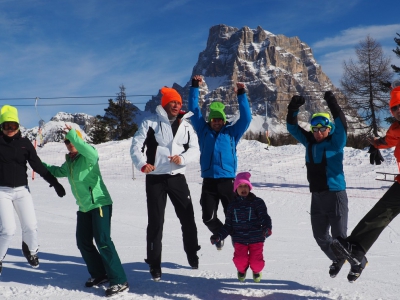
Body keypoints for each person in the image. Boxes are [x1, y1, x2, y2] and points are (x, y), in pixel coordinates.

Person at [43, 125, 128, 297]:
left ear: (79, 140)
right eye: (66, 142)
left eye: (72, 140)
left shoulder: (89, 155)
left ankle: (119, 280)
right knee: (83, 242)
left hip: (99, 204)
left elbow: (85, 148)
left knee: (103, 241)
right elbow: (57, 171)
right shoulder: (70, 162)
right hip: (84, 208)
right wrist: (37, 163)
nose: (69, 144)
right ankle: (99, 274)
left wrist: (74, 135)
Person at [130, 86, 201, 281]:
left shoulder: (186, 125)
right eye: (173, 102)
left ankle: (192, 253)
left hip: (177, 177)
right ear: (165, 103)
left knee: (187, 218)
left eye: (179, 102)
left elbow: (195, 149)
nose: (177, 105)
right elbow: (136, 145)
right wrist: (142, 164)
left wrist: (183, 158)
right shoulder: (150, 123)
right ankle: (154, 263)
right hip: (155, 179)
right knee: (155, 222)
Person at [332, 85, 400, 282]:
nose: (398, 111)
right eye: (395, 108)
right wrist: (377, 144)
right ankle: (356, 250)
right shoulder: (396, 128)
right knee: (379, 213)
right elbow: (389, 140)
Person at [286, 92, 349, 279]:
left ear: (329, 128)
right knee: (321, 237)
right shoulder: (309, 142)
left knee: (339, 239)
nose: (319, 132)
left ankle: (358, 263)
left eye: (323, 128)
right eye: (315, 128)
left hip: (335, 194)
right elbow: (292, 127)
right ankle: (337, 259)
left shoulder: (336, 142)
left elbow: (342, 125)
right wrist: (293, 108)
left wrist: (332, 102)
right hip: (317, 198)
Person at [0, 105, 66, 275]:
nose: (9, 129)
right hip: (2, 191)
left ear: (18, 126)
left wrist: (54, 182)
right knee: (7, 230)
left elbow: (37, 165)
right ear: (1, 126)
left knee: (31, 226)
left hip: (22, 190)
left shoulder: (25, 143)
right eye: (6, 126)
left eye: (13, 126)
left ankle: (31, 250)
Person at [188, 75, 252, 250]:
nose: (217, 122)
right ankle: (220, 233)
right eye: (214, 119)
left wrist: (241, 93)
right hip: (209, 181)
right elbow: (193, 109)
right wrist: (195, 86)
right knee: (207, 217)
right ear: (210, 120)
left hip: (227, 181)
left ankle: (238, 243)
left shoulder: (231, 133)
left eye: (219, 119)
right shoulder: (203, 130)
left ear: (224, 120)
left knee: (233, 216)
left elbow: (246, 119)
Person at [210, 172, 272, 283]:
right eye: (240, 186)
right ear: (236, 189)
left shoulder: (257, 202)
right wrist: (219, 236)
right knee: (240, 260)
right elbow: (228, 225)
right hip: (239, 239)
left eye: (246, 186)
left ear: (249, 187)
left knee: (256, 262)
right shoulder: (232, 206)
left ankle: (256, 271)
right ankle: (242, 270)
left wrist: (267, 228)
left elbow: (264, 217)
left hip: (256, 238)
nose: (243, 189)